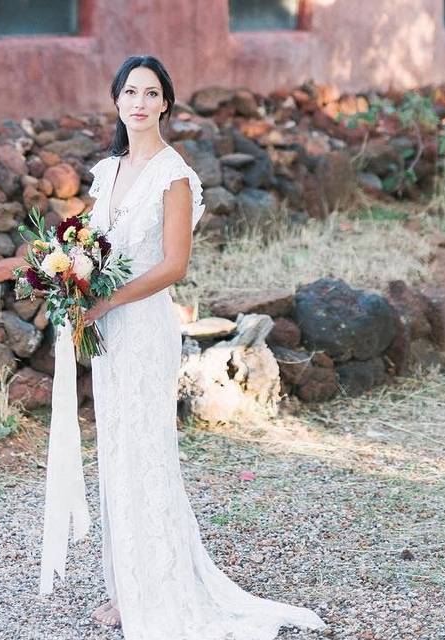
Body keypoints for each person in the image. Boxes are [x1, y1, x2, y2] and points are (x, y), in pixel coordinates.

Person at [73, 55, 327, 638]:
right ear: (116, 100)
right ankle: (124, 586)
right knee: (115, 453)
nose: (139, 102)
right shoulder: (107, 172)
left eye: (151, 92)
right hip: (107, 326)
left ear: (166, 103)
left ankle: (158, 591)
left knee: (146, 454)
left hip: (141, 327)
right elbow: (95, 247)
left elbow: (173, 266)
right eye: (130, 91)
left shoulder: (174, 175)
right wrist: (73, 284)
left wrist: (107, 302)